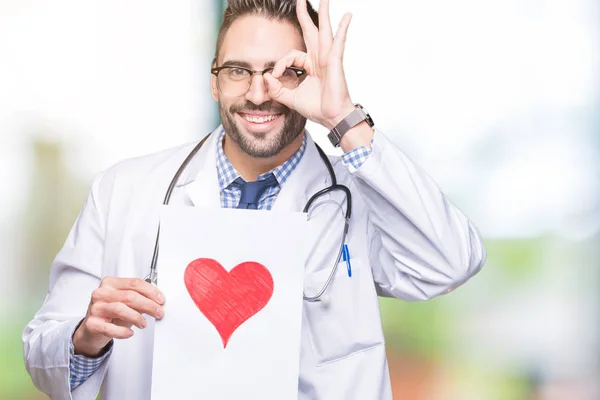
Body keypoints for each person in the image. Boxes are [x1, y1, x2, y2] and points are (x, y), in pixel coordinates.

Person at [23, 0, 487, 399]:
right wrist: (85, 338)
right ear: (214, 82)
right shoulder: (122, 191)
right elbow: (43, 350)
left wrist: (343, 117)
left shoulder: (360, 202)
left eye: (286, 72)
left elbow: (450, 262)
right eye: (239, 71)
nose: (259, 93)